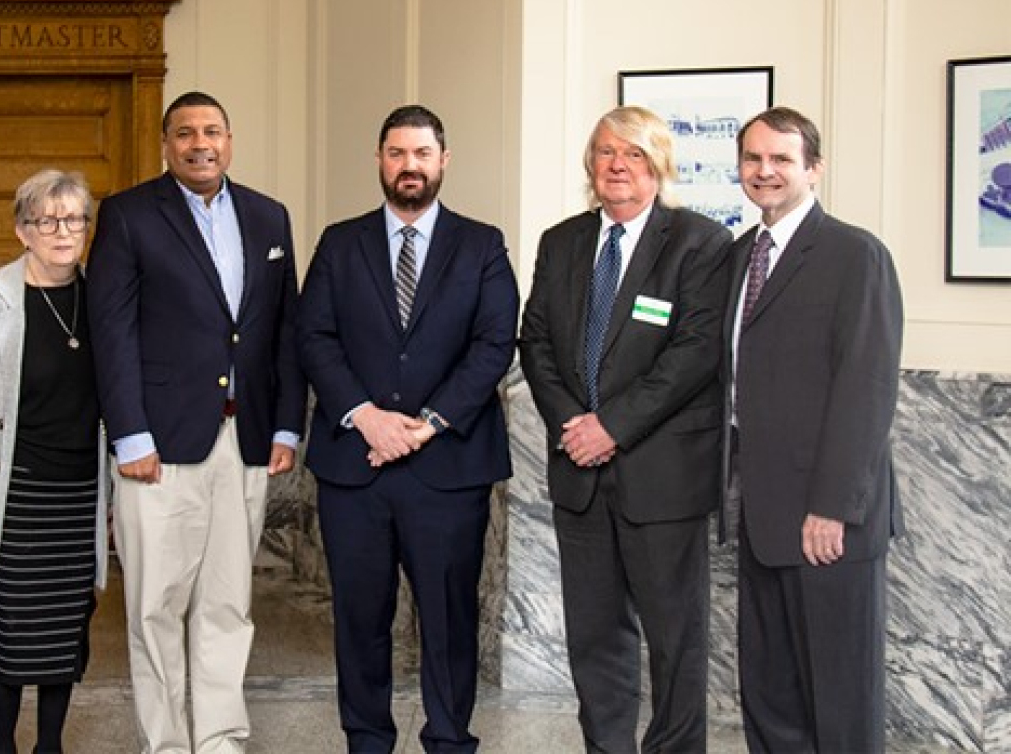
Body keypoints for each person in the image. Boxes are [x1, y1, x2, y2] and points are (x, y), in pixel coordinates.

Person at [86, 90, 306, 754]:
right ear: (166, 144)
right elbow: (112, 331)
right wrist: (130, 435)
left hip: (244, 442)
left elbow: (284, 332)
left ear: (230, 140)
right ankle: (166, 743)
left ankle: (218, 739)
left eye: (212, 130)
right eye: (185, 133)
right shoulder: (127, 216)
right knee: (155, 606)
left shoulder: (270, 217)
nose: (200, 143)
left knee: (227, 605)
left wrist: (287, 427)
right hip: (159, 445)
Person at [298, 104, 519, 754]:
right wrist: (365, 416)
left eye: (422, 153)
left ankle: (450, 741)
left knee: (448, 622)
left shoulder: (482, 244)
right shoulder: (341, 242)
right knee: (359, 621)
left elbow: (494, 343)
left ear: (443, 161)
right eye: (397, 153)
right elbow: (314, 335)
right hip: (354, 468)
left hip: (448, 469)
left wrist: (425, 425)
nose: (410, 166)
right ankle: (367, 741)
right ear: (379, 160)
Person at [518, 106, 731, 753]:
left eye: (634, 154)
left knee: (674, 639)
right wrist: (572, 425)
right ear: (590, 164)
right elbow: (537, 344)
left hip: (661, 479)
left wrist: (611, 426)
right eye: (607, 152)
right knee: (595, 635)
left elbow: (694, 355)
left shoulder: (699, 243)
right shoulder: (562, 241)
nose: (617, 165)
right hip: (580, 478)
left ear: (658, 165)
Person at [726, 107, 903, 753]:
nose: (765, 171)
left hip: (828, 522)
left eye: (781, 159)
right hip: (760, 513)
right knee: (771, 693)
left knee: (838, 696)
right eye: (753, 159)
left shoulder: (855, 254)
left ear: (814, 170)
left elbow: (867, 390)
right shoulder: (741, 254)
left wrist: (830, 508)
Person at [0, 170, 107, 754]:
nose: (63, 231)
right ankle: (3, 744)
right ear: (22, 229)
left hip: (78, 490)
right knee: (5, 630)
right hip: (12, 490)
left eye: (74, 219)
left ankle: (51, 745)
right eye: (47, 220)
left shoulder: (100, 293)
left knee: (65, 629)